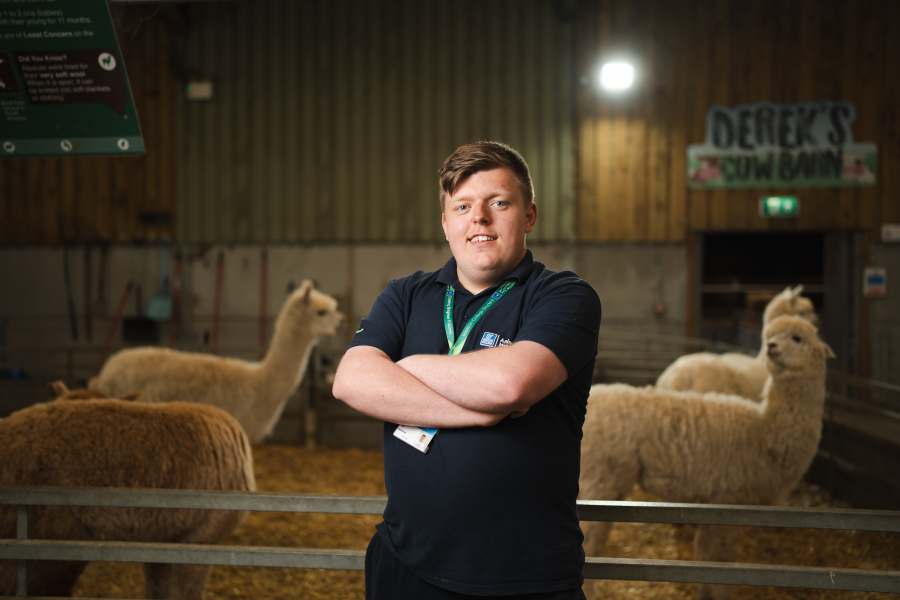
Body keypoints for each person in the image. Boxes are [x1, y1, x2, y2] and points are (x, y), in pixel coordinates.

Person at [332, 142, 601, 599]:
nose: (479, 217)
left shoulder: (563, 296)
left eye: (499, 202)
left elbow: (510, 383)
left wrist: (407, 366)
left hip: (526, 577)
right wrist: (480, 411)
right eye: (463, 206)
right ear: (446, 223)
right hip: (406, 565)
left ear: (529, 215)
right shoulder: (405, 295)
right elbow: (350, 381)